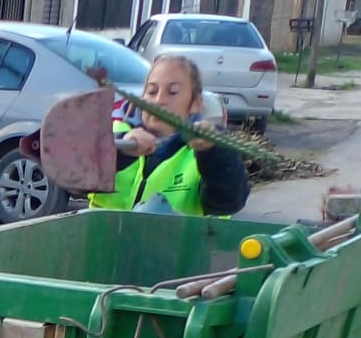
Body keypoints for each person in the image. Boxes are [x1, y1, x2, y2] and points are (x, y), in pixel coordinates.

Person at [89, 54, 249, 217]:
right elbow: (73, 178)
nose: (159, 100)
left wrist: (213, 152)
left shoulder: (209, 147)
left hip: (178, 242)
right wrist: (121, 152)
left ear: (195, 103)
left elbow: (228, 202)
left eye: (172, 92)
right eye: (152, 91)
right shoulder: (115, 135)